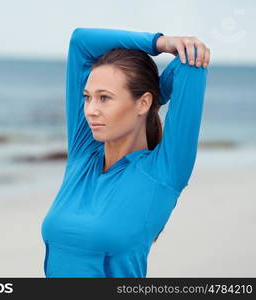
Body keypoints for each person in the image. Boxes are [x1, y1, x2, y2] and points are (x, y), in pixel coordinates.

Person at [41, 27, 210, 278]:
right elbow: (80, 41)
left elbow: (191, 64)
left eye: (105, 98)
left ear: (143, 103)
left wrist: (153, 94)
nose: (90, 110)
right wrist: (159, 43)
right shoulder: (82, 156)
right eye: (87, 98)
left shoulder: (164, 172)